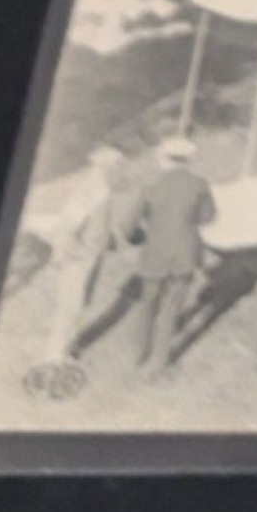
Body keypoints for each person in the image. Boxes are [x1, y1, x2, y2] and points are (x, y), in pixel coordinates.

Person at [130, 137, 216, 379]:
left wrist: (140, 234)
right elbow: (208, 217)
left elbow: (132, 222)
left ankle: (139, 354)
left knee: (147, 303)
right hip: (185, 254)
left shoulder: (151, 186)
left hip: (154, 254)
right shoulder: (199, 184)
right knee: (170, 309)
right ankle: (158, 363)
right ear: (189, 161)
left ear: (164, 159)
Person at [43, 145, 125, 361]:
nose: (118, 170)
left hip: (92, 256)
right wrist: (71, 252)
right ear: (105, 166)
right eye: (116, 166)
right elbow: (68, 225)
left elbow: (97, 223)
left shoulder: (103, 188)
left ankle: (68, 346)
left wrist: (109, 238)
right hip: (80, 259)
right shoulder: (92, 190)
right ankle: (55, 355)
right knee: (70, 306)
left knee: (79, 305)